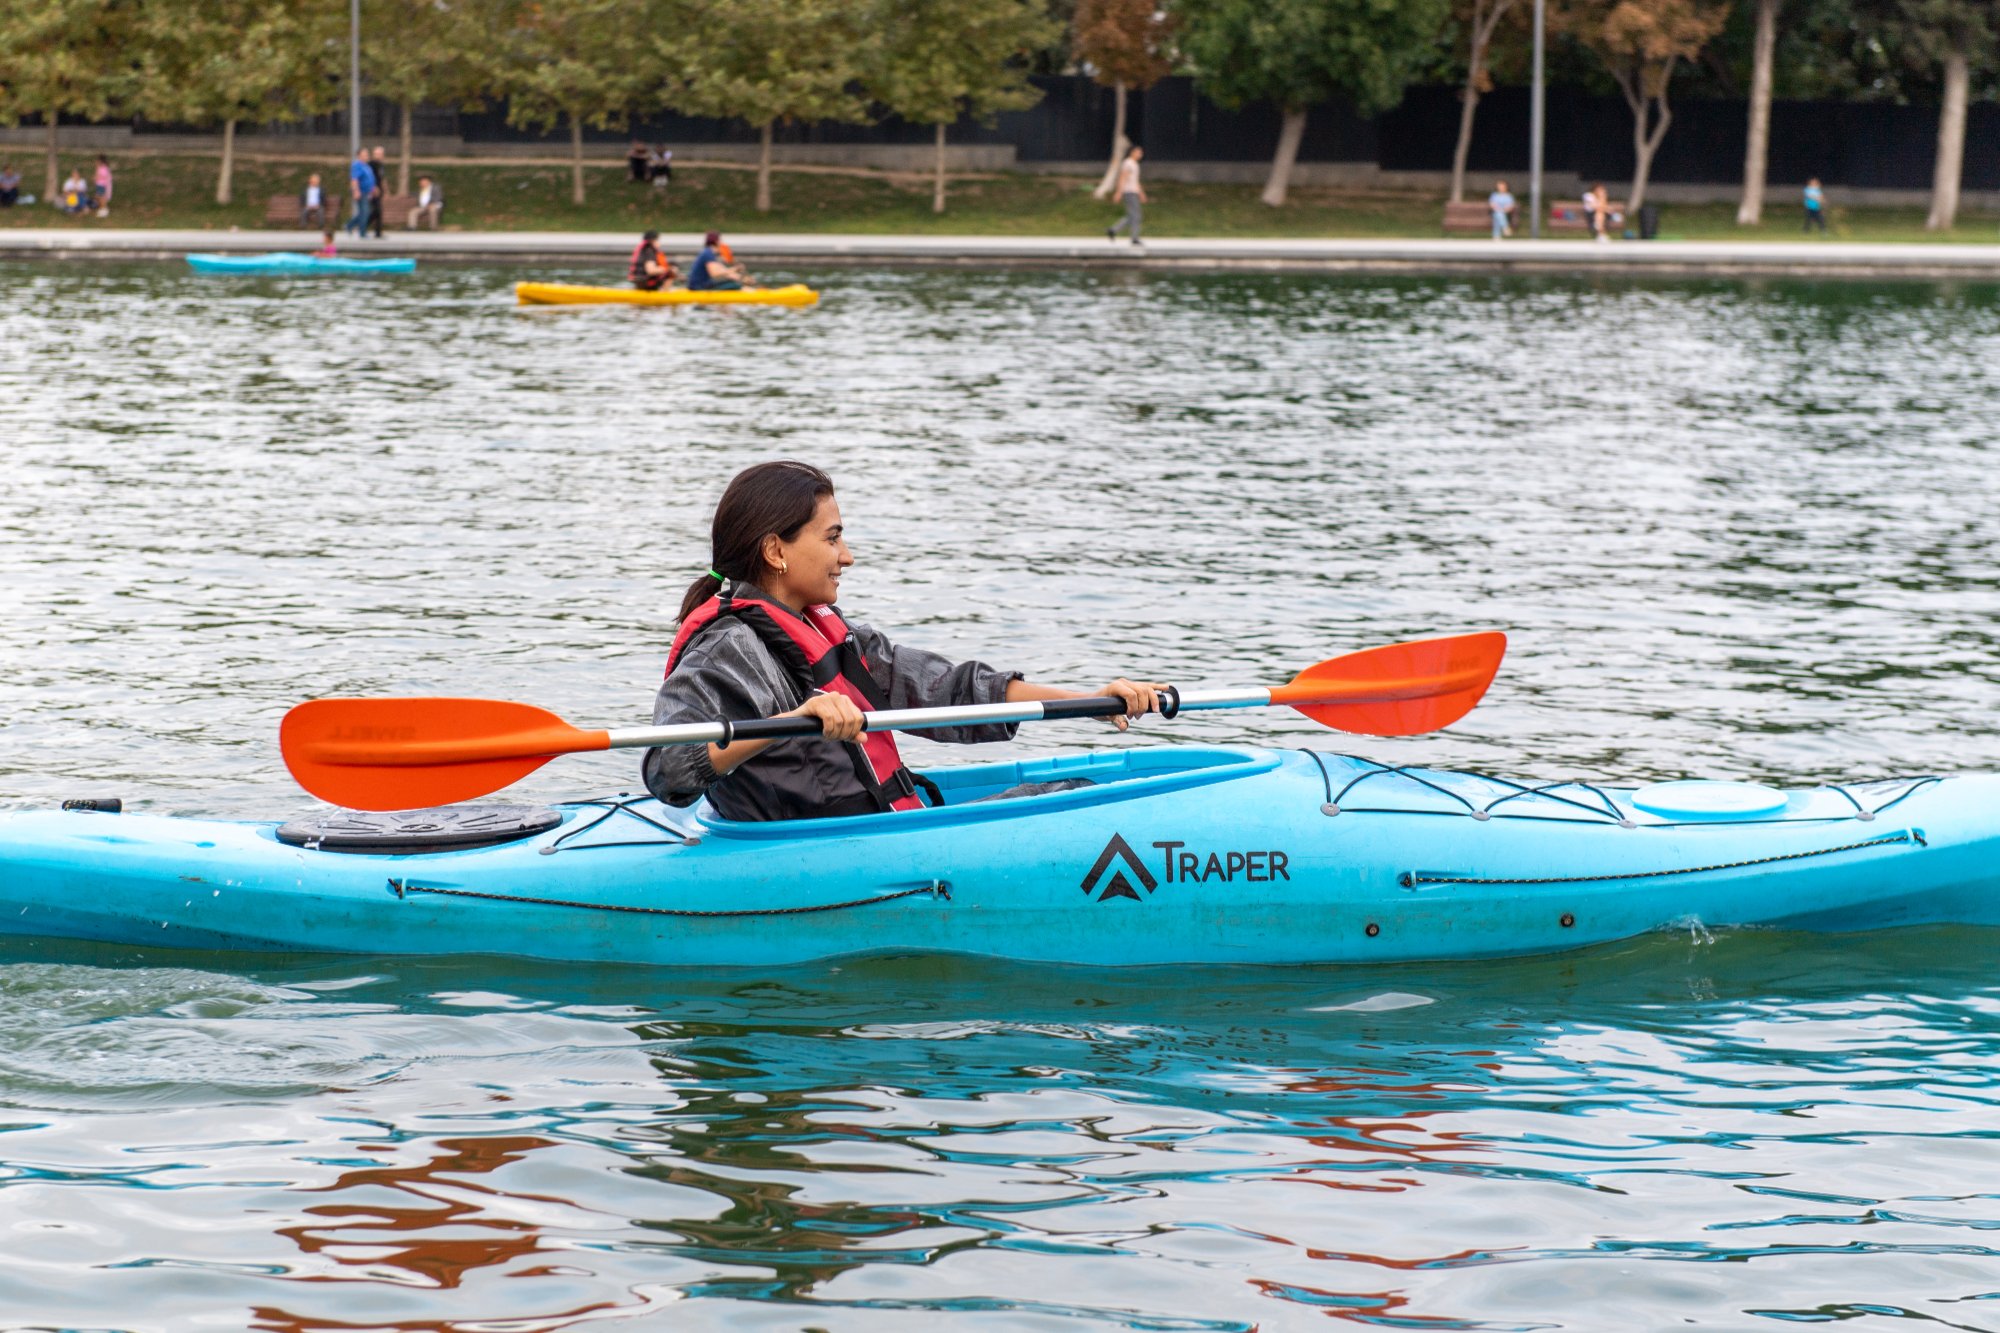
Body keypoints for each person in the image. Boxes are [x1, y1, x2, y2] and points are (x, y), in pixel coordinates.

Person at [643, 461, 1165, 822]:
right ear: (776, 550)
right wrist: (792, 722)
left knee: (1079, 790)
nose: (846, 556)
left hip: (882, 829)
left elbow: (952, 691)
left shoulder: (836, 633)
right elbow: (665, 770)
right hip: (824, 851)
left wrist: (1093, 703)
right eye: (832, 538)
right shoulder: (724, 650)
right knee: (1084, 800)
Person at [1105, 144, 1147, 246]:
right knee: (1136, 216)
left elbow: (1135, 181)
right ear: (1132, 152)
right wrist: (1119, 192)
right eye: (1138, 152)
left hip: (1134, 191)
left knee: (1132, 216)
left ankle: (1113, 230)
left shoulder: (1135, 164)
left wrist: (1141, 193)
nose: (1140, 154)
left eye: (1141, 152)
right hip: (1129, 192)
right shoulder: (1128, 163)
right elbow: (1122, 178)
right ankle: (1134, 238)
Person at [687, 231, 753, 290]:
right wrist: (735, 269)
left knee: (732, 281)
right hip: (699, 287)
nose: (721, 243)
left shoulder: (708, 253)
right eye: (720, 240)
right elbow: (715, 273)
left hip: (699, 285)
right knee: (734, 285)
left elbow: (722, 270)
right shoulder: (708, 254)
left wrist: (740, 277)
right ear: (716, 241)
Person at [346, 149, 375, 237]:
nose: (367, 156)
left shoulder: (366, 166)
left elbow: (370, 179)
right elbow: (354, 179)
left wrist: (371, 191)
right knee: (365, 212)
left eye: (367, 154)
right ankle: (362, 232)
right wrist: (356, 191)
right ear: (359, 156)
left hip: (366, 192)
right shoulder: (357, 165)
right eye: (364, 154)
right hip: (360, 191)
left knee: (365, 212)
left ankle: (349, 225)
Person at [368, 146, 389, 237]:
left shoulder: (381, 165)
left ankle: (378, 232)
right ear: (373, 155)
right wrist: (373, 188)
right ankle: (363, 224)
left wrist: (386, 190)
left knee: (378, 212)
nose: (379, 156)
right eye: (377, 154)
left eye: (380, 154)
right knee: (377, 211)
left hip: (379, 191)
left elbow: (382, 179)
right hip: (373, 191)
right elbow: (369, 178)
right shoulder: (371, 164)